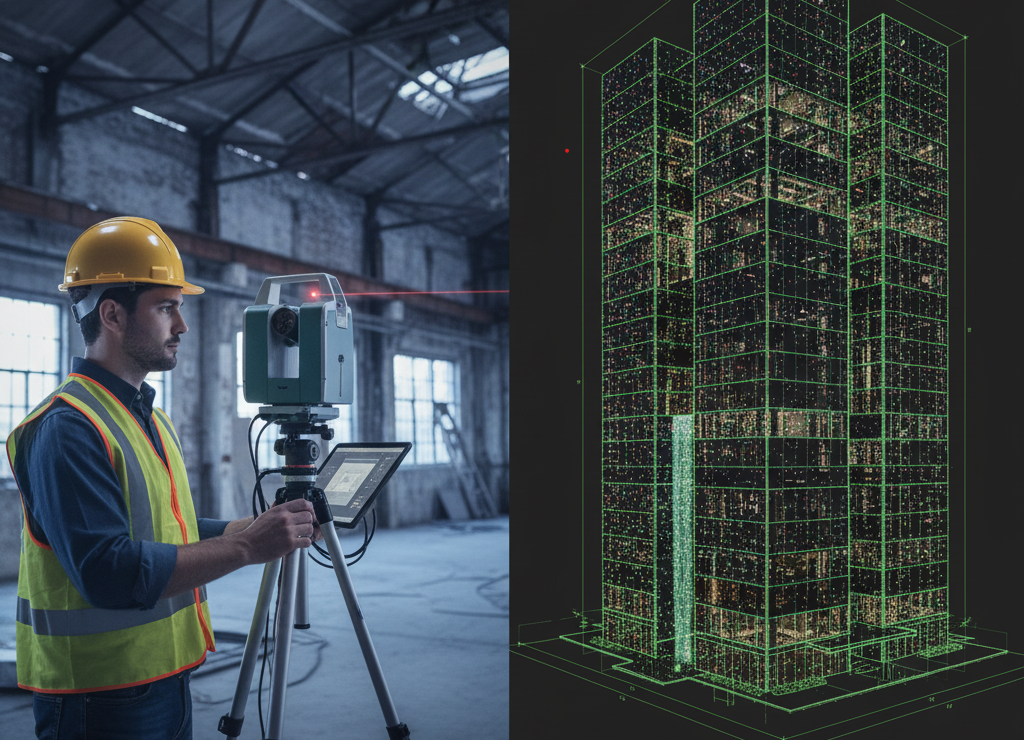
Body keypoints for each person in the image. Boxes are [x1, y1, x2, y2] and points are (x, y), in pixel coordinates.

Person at [9, 217, 319, 740]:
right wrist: (247, 549)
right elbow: (110, 571)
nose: (182, 325)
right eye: (165, 307)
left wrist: (243, 527)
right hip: (101, 698)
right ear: (112, 314)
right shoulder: (68, 427)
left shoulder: (145, 414)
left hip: (163, 677)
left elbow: (165, 525)